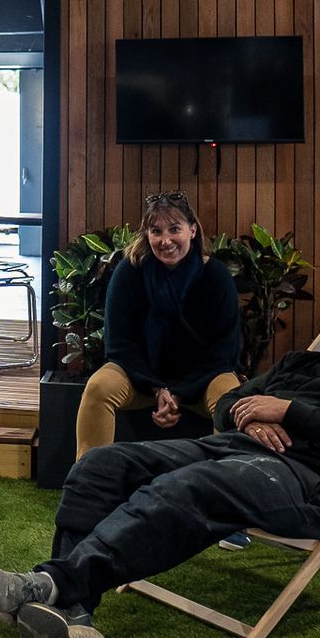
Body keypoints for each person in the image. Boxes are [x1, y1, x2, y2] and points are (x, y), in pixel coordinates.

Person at [0, 277, 320, 638]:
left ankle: (51, 583)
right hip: (238, 450)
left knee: (188, 485)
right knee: (102, 464)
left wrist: (285, 412)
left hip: (308, 482)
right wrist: (250, 419)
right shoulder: (304, 362)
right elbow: (230, 402)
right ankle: (72, 612)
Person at [77, 192, 242, 458]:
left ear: (192, 230)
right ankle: (86, 480)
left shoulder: (216, 275)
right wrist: (158, 390)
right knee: (98, 389)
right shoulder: (129, 272)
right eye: (156, 231)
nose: (166, 240)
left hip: (203, 380)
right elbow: (120, 345)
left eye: (174, 229)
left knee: (230, 397)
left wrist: (178, 392)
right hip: (140, 378)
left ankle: (220, 484)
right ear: (147, 235)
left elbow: (225, 351)